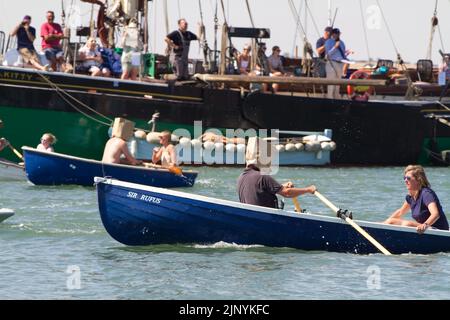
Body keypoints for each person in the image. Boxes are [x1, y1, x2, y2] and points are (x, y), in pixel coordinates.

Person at [237, 137, 316, 209]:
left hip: (252, 217)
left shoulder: (241, 177)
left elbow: (262, 189)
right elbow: (287, 193)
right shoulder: (263, 177)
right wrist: (308, 190)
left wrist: (281, 186)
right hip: (267, 219)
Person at [384, 165, 449, 233]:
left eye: (408, 178)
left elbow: (435, 214)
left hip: (438, 230)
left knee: (407, 224)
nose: (405, 180)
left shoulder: (426, 194)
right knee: (391, 221)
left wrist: (425, 225)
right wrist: (384, 224)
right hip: (425, 229)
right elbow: (400, 212)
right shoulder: (410, 197)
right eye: (404, 178)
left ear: (418, 180)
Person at [324, 28, 350, 99]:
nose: (337, 35)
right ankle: (330, 100)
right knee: (331, 84)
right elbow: (327, 55)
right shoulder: (328, 42)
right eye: (335, 33)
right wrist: (335, 47)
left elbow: (342, 54)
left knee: (337, 85)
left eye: (338, 34)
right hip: (331, 63)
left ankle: (336, 100)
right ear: (332, 34)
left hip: (340, 64)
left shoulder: (342, 43)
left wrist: (346, 58)